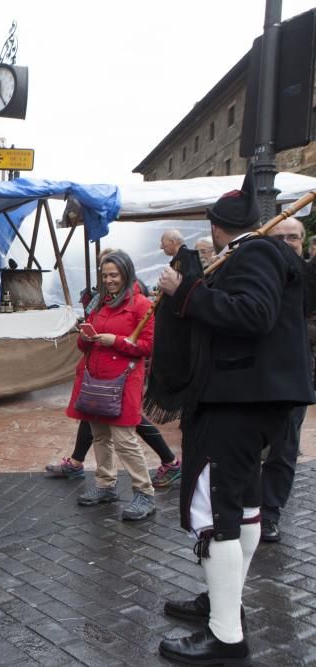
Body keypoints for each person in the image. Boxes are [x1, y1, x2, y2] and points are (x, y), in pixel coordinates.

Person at [156, 170, 313, 664]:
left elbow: (254, 314)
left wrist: (186, 293)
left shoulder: (257, 252)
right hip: (245, 405)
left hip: (235, 406)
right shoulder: (256, 254)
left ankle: (226, 635)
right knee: (242, 509)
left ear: (217, 227)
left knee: (213, 514)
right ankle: (223, 604)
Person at [66, 250, 156, 521]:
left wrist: (114, 341)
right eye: (105, 276)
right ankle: (106, 485)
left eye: (114, 275)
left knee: (125, 439)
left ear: (126, 274)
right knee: (100, 435)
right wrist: (86, 336)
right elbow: (85, 347)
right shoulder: (98, 304)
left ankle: (145, 492)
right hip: (96, 380)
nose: (109, 280)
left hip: (124, 381)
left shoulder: (141, 305)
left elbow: (148, 347)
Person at [258, 216, 310, 543]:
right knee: (246, 449)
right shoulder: (254, 277)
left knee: (283, 450)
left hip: (293, 382)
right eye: (281, 237)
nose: (288, 242)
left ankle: (269, 512)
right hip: (253, 380)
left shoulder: (309, 277)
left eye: (294, 237)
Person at [45, 418, 181, 488]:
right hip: (105, 373)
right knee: (90, 409)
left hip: (121, 373)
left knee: (131, 417)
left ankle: (145, 489)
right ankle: (75, 463)